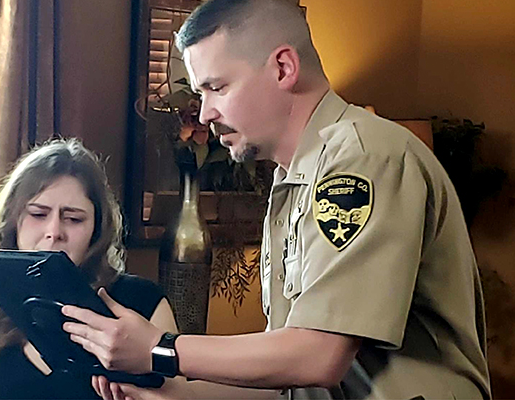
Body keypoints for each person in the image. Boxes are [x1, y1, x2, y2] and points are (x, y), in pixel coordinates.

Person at [61, 1, 491, 399]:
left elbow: (319, 356)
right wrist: (166, 394)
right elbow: (287, 376)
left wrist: (160, 350)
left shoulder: (362, 158)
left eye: (217, 87)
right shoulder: (295, 178)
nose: (205, 112)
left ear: (284, 67)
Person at [0, 138, 180, 399]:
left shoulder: (146, 301)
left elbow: (178, 393)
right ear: (13, 221)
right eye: (38, 214)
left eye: (73, 219)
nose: (54, 232)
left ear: (97, 228)